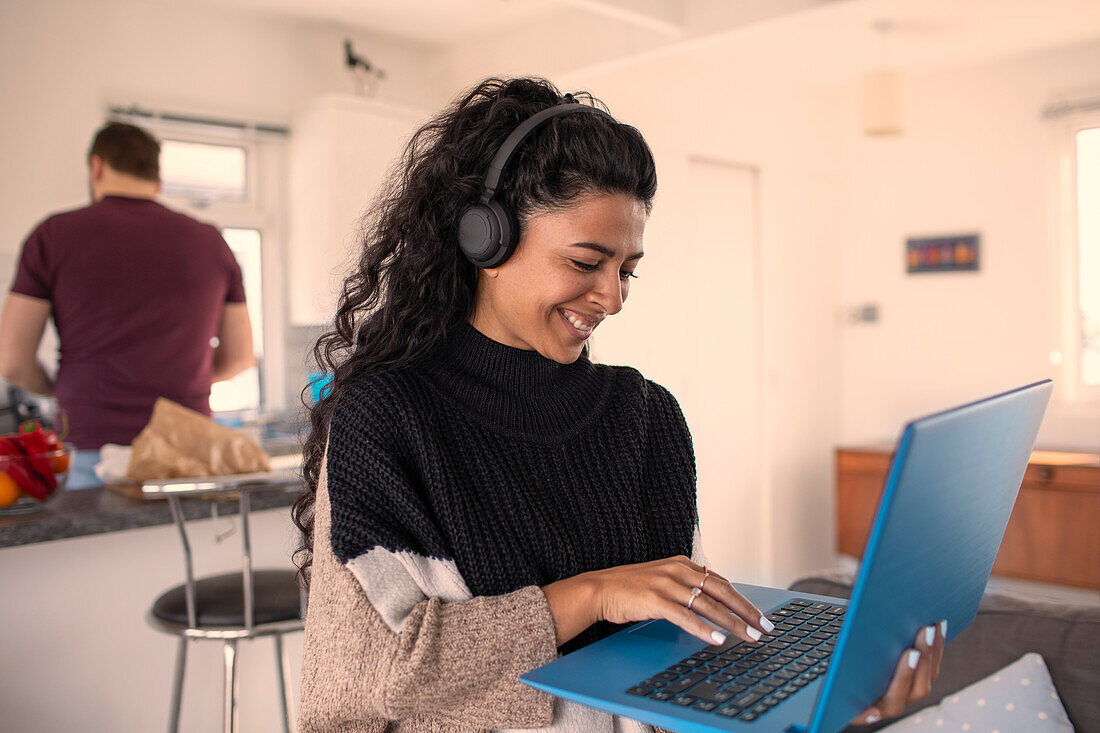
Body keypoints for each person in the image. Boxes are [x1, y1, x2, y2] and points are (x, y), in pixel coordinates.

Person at [293, 77, 944, 732]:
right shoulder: (388, 418)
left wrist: (829, 709)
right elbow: (385, 675)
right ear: (484, 241)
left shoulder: (646, 415)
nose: (613, 297)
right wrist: (594, 593)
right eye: (585, 262)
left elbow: (668, 656)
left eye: (627, 269)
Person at [0, 121, 256, 450]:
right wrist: (180, 382)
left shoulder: (52, 236)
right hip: (186, 446)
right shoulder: (210, 241)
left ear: (97, 166)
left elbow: (11, 362)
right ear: (157, 181)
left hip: (92, 440)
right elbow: (240, 356)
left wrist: (63, 387)